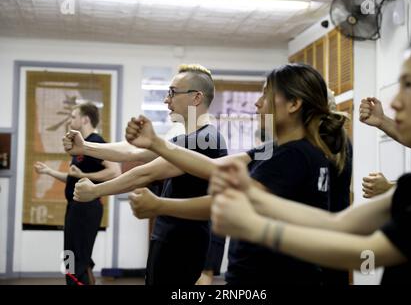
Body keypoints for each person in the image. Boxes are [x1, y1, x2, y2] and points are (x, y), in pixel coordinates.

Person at [209, 32, 411, 284]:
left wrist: (257, 227)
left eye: (409, 84)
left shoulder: (298, 152)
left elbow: (368, 252)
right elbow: (340, 224)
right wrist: (251, 196)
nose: (395, 102)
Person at [125, 63, 350, 285]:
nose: (258, 102)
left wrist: (160, 205)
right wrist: (157, 144)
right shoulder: (282, 150)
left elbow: (231, 203)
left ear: (293, 104)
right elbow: (215, 166)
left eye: (266, 94)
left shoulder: (294, 156)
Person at [66, 64, 228, 285]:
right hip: (170, 236)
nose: (166, 100)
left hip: (183, 241)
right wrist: (85, 147)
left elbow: (145, 174)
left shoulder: (206, 139)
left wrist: (96, 190)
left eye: (173, 92)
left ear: (196, 98)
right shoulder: (189, 138)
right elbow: (134, 151)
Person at [34, 102, 121, 285]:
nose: (70, 120)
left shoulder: (95, 143)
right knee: (71, 256)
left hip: (87, 207)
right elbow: (74, 178)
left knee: (77, 259)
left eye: (73, 116)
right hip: (75, 206)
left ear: (85, 119)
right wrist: (48, 171)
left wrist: (84, 175)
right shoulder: (81, 146)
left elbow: (114, 171)